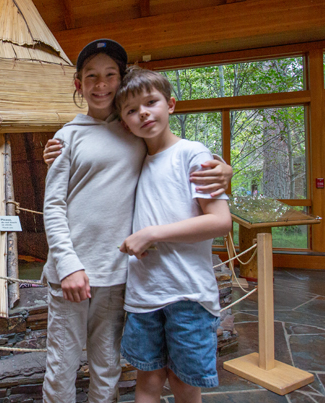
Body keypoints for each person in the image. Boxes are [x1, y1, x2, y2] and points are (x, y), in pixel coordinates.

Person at [41, 40, 232, 403]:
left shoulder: (133, 131)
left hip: (117, 274)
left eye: (110, 75)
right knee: (62, 365)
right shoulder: (66, 137)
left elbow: (174, 153)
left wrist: (224, 168)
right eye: (91, 76)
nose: (101, 84)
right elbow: (53, 205)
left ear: (121, 79)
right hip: (72, 273)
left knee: (107, 367)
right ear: (78, 84)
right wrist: (67, 265)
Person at [116, 67, 232, 403]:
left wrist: (152, 233)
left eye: (151, 102)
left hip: (188, 293)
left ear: (171, 104)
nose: (143, 113)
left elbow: (220, 221)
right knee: (148, 379)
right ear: (124, 122)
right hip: (143, 293)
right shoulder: (134, 160)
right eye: (132, 110)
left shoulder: (193, 153)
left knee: (184, 383)